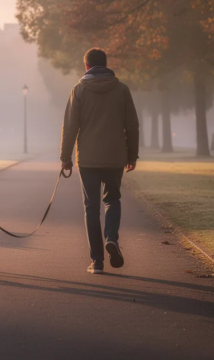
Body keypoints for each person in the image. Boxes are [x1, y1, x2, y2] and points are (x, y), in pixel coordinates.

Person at [60, 48, 140, 274]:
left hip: (88, 159)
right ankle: (111, 237)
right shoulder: (121, 89)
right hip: (115, 157)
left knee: (91, 208)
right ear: (105, 64)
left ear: (86, 66)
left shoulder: (79, 90)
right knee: (112, 200)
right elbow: (132, 125)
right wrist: (132, 155)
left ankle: (97, 262)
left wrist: (65, 158)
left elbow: (70, 126)